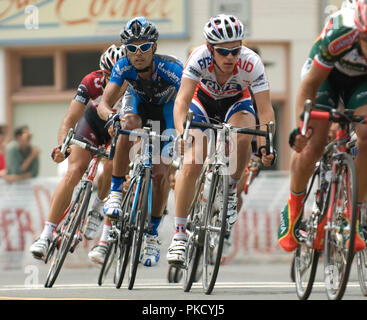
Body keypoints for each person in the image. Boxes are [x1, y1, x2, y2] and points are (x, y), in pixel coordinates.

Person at [166, 14, 276, 266]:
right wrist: (182, 132)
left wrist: (265, 146)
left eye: (235, 51)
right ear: (209, 49)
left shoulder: (252, 62)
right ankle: (179, 236)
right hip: (202, 101)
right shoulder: (198, 58)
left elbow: (266, 110)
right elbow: (181, 100)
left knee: (245, 131)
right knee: (193, 161)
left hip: (236, 103)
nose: (230, 57)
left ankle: (229, 189)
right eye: (223, 52)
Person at [278, 0, 367, 253]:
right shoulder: (339, 35)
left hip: (361, 82)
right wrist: (301, 127)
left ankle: (353, 216)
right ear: (358, 32)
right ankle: (294, 208)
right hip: (326, 77)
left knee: (366, 135)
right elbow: (309, 86)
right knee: (313, 144)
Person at [97, 17, 183, 267]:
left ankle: (152, 233)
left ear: (154, 48)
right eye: (132, 48)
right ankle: (115, 191)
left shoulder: (172, 68)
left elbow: (189, 99)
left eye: (144, 47)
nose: (138, 53)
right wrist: (111, 118)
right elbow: (104, 103)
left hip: (167, 112)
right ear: (126, 50)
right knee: (127, 125)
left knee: (160, 174)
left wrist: (183, 130)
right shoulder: (123, 66)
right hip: (138, 107)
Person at [29, 45, 126, 260]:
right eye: (108, 75)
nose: (113, 81)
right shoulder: (93, 81)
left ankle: (97, 208)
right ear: (103, 72)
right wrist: (62, 146)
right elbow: (70, 119)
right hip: (92, 124)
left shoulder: (134, 86)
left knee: (112, 165)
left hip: (118, 131)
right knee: (73, 171)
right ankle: (45, 235)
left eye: (117, 76)